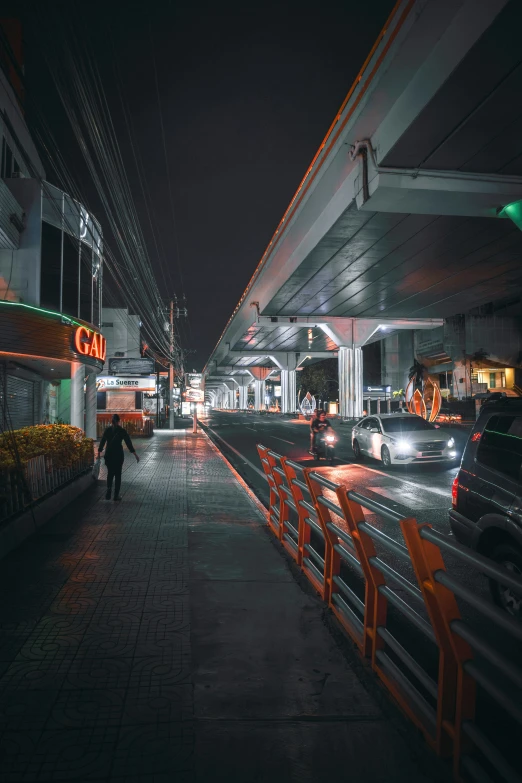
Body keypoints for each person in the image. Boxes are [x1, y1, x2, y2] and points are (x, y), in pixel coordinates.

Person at [98, 414, 140, 501]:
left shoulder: (108, 430)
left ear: (112, 421)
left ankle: (109, 490)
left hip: (109, 455)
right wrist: (134, 454)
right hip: (118, 455)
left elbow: (102, 441)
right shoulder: (121, 431)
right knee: (118, 475)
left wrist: (99, 451)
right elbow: (128, 442)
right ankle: (116, 495)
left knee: (110, 474)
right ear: (119, 421)